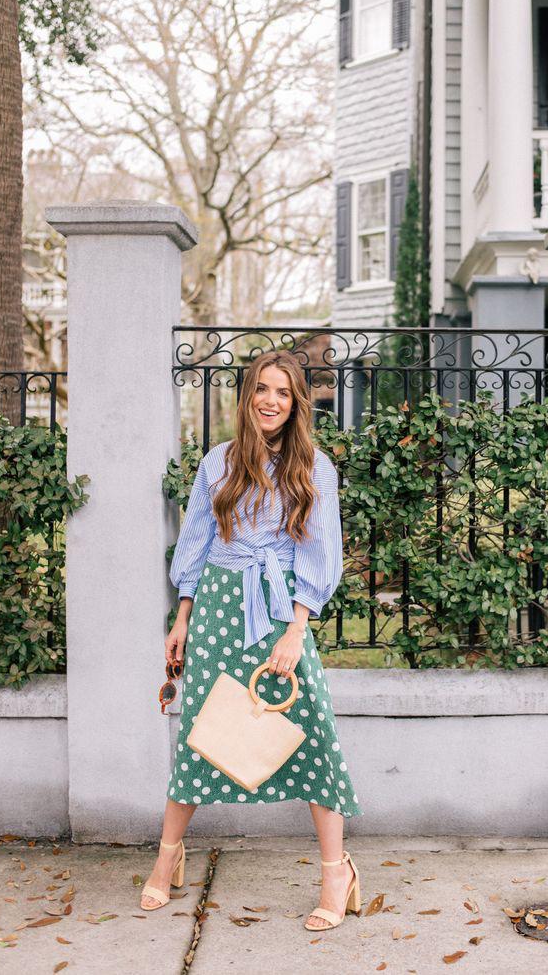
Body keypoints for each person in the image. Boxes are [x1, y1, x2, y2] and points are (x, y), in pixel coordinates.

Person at [140, 350, 362, 931]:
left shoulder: (314, 467)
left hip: (280, 609)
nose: (270, 400)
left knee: (311, 732)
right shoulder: (218, 462)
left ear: (296, 403)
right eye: (262, 388)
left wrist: (297, 629)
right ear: (247, 396)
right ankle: (167, 858)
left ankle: (336, 872)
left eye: (283, 392)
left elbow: (320, 552)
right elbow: (196, 541)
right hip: (217, 605)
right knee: (203, 732)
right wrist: (182, 617)